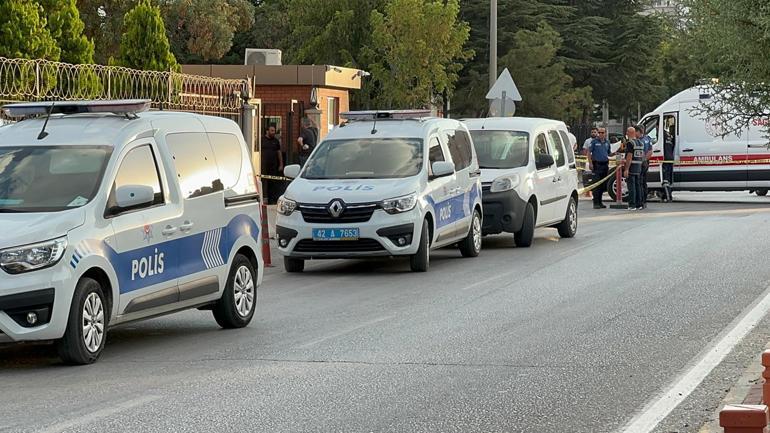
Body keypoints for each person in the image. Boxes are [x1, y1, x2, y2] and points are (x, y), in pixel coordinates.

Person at [587, 127, 613, 209]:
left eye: (602, 132)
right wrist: (590, 163)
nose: (601, 134)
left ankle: (600, 202)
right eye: (599, 132)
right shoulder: (594, 142)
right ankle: (596, 202)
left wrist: (617, 152)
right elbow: (589, 152)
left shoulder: (607, 142)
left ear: (605, 133)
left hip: (605, 165)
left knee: (602, 185)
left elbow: (609, 153)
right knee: (596, 184)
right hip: (596, 165)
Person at [260, 124, 283, 204]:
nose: (273, 132)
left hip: (273, 165)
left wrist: (281, 164)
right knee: (264, 181)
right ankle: (264, 198)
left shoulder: (275, 141)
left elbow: (279, 153)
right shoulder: (262, 140)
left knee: (273, 182)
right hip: (263, 165)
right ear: (267, 131)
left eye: (274, 131)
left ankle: (272, 199)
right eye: (272, 131)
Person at [624, 126, 645, 210]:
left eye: (627, 132)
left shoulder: (630, 143)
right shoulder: (640, 143)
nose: (626, 133)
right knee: (638, 186)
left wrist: (626, 169)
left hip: (632, 167)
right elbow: (642, 156)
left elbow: (629, 156)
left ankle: (632, 204)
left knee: (631, 187)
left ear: (629, 133)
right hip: (638, 167)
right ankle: (639, 204)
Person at [637, 125, 653, 208]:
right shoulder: (648, 139)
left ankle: (641, 201)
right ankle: (644, 201)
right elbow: (650, 151)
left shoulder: (639, 140)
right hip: (645, 162)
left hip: (640, 163)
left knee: (640, 182)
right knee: (643, 182)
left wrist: (643, 161)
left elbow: (648, 152)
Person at [662, 124, 675, 202]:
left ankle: (668, 197)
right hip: (670, 158)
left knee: (665, 180)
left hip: (665, 158)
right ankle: (665, 196)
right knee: (668, 180)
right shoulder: (669, 136)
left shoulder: (662, 134)